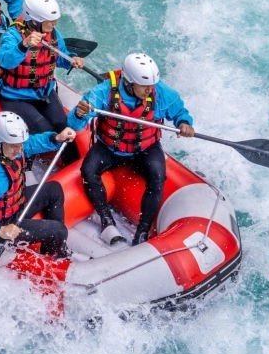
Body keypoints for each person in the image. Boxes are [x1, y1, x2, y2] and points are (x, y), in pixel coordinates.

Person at [69, 52, 196, 247]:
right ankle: (106, 221)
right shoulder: (103, 92)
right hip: (109, 148)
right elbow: (75, 124)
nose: (149, 90)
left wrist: (185, 123)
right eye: (144, 86)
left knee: (158, 176)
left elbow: (179, 112)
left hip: (145, 148)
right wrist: (79, 113)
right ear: (128, 82)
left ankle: (143, 230)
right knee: (88, 170)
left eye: (151, 85)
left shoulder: (161, 93)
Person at [0, 111, 76, 259]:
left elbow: (29, 145)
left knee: (54, 189)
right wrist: (0, 230)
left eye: (20, 145)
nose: (19, 151)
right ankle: (55, 256)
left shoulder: (2, 145)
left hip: (10, 209)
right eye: (14, 146)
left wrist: (55, 138)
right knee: (59, 230)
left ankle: (52, 247)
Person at [0, 0, 84, 133]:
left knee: (63, 127)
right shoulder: (12, 35)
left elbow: (60, 57)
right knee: (44, 129)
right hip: (16, 97)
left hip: (44, 92)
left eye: (55, 20)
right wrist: (23, 45)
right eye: (51, 21)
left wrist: (72, 60)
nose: (54, 24)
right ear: (35, 21)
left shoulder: (53, 33)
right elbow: (4, 61)